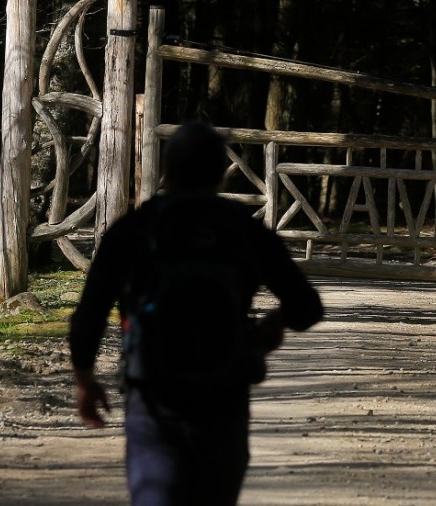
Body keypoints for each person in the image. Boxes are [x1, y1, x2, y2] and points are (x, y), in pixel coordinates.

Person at [68, 121, 323, 505]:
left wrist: (85, 378)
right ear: (220, 173)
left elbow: (90, 312)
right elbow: (306, 308)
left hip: (153, 400)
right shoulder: (243, 230)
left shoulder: (133, 229)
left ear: (167, 171)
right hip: (224, 396)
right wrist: (270, 327)